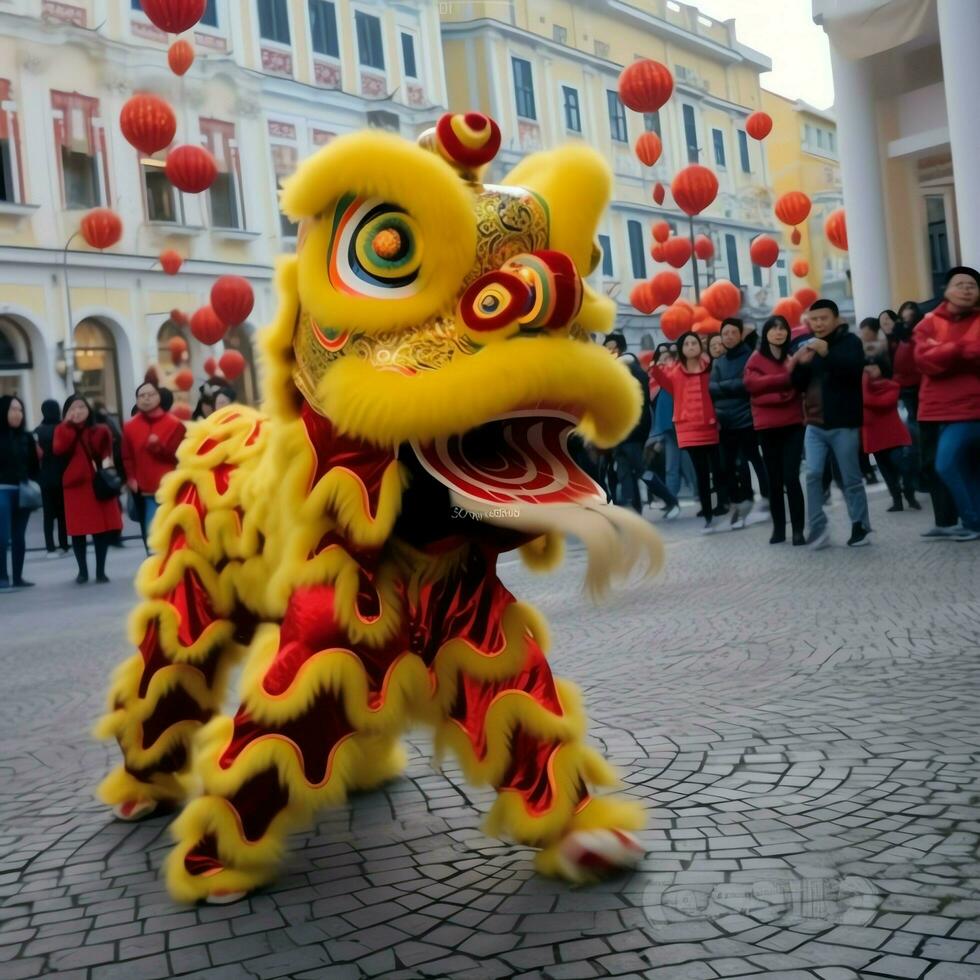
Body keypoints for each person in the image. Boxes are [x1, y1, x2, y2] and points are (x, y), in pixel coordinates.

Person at [791, 299, 871, 548]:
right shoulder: (808, 346)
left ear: (836, 319)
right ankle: (817, 526)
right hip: (814, 424)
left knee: (850, 478)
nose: (819, 323)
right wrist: (800, 367)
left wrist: (827, 354)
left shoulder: (850, 343)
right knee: (813, 474)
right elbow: (798, 385)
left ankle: (860, 526)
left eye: (823, 318)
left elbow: (853, 371)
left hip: (843, 423)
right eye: (814, 319)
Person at [914, 266, 980, 541]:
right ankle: (966, 521)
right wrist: (956, 349)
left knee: (947, 463)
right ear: (947, 290)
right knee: (956, 465)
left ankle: (973, 522)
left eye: (972, 285)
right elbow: (923, 359)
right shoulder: (929, 321)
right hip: (934, 409)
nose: (966, 289)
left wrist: (943, 350)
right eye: (960, 284)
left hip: (971, 408)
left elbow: (975, 354)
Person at [650, 331, 722, 532]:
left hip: (710, 425)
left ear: (700, 346)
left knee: (718, 470)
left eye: (694, 343)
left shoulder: (710, 367)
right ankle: (708, 514)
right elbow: (660, 380)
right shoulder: (673, 372)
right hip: (688, 428)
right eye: (687, 343)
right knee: (700, 473)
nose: (691, 346)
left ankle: (722, 505)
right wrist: (656, 366)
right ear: (681, 349)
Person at [744, 316, 806, 545]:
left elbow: (798, 386)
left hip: (792, 424)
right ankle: (779, 528)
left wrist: (774, 387)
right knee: (774, 480)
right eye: (774, 329)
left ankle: (798, 529)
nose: (779, 333)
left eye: (783, 329)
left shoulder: (792, 357)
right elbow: (753, 387)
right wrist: (782, 384)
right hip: (767, 426)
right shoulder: (756, 358)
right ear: (766, 333)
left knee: (791, 477)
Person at [603, 332, 679, 517]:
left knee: (640, 469)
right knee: (623, 471)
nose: (610, 351)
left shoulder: (633, 371)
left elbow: (637, 404)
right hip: (618, 433)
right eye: (607, 347)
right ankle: (633, 510)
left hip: (633, 431)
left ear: (621, 349)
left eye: (613, 347)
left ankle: (670, 500)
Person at [54, 394, 123, 583]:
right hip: (74, 487)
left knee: (100, 530)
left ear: (88, 409)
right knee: (78, 532)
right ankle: (82, 571)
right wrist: (66, 425)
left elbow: (107, 452)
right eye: (72, 408)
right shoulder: (62, 430)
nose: (77, 411)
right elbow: (59, 448)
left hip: (96, 485)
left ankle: (101, 571)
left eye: (81, 407)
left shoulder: (100, 430)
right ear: (66, 412)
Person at [709, 317, 770, 529]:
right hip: (725, 421)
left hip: (748, 418)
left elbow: (747, 384)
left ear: (740, 334)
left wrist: (726, 387)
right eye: (725, 333)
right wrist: (731, 387)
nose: (728, 337)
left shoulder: (751, 357)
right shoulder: (719, 361)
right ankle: (740, 501)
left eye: (733, 332)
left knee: (754, 459)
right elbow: (712, 388)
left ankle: (767, 497)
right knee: (728, 465)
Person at [122, 381, 186, 540]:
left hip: (171, 490)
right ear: (137, 400)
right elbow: (126, 456)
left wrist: (159, 448)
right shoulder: (129, 426)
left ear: (159, 397)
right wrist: (130, 478)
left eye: (150, 394)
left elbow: (180, 457)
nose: (146, 399)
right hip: (145, 491)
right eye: (141, 396)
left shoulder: (175, 424)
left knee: (175, 535)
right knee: (153, 538)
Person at [862, 356, 916, 512]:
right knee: (886, 471)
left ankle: (909, 492)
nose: (868, 370)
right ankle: (897, 500)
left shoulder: (891, 385)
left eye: (873, 366)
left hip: (892, 435)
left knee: (902, 466)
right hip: (874, 435)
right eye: (866, 367)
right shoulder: (862, 388)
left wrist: (864, 380)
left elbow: (873, 401)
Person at [0, 395, 39, 590]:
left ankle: (18, 576)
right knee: (2, 536)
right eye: (13, 409)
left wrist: (31, 481)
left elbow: (34, 465)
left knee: (19, 536)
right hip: (2, 490)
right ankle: (2, 577)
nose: (17, 414)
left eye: (20, 410)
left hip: (23, 490)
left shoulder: (27, 437)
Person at [883, 305, 923, 495]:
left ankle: (917, 480)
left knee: (914, 439)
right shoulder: (888, 343)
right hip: (899, 396)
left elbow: (911, 369)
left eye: (909, 318)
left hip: (913, 395)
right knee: (908, 441)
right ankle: (913, 481)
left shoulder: (914, 340)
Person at [650, 346, 695, 505]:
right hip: (666, 427)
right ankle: (671, 499)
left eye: (667, 358)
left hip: (677, 424)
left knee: (684, 463)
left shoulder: (675, 376)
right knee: (673, 465)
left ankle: (695, 493)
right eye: (662, 358)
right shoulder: (658, 380)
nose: (664, 361)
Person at [33, 398, 69, 557]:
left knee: (48, 515)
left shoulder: (37, 431)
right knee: (62, 513)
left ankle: (50, 548)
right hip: (62, 475)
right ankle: (64, 545)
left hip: (45, 477)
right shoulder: (63, 428)